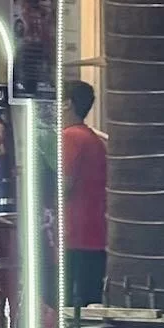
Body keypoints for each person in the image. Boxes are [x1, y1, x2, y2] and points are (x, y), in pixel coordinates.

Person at [63, 79, 108, 307]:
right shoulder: (93, 139)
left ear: (66, 104)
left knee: (71, 308)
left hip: (74, 236)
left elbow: (63, 184)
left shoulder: (70, 137)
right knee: (90, 304)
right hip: (94, 235)